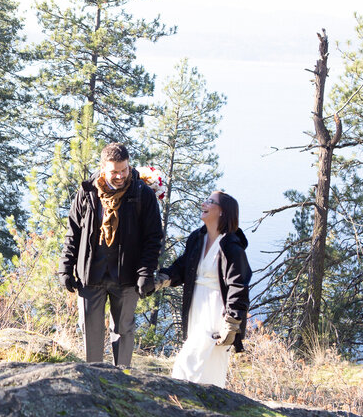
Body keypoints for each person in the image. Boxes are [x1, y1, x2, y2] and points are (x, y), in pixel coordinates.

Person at [58, 143, 163, 367]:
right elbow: (73, 233)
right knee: (90, 331)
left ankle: (122, 382)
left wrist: (145, 273)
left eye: (124, 170)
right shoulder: (87, 192)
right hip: (91, 274)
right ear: (103, 168)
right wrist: (65, 268)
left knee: (123, 331)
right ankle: (93, 383)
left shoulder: (142, 195)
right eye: (114, 171)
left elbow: (153, 238)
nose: (120, 176)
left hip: (126, 277)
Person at [156, 191, 251, 388]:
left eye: (210, 202)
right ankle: (200, 406)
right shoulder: (198, 238)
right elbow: (183, 266)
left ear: (223, 212)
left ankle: (187, 399)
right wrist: (163, 278)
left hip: (217, 310)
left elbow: (238, 285)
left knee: (191, 361)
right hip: (196, 307)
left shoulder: (232, 246)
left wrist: (232, 323)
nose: (203, 204)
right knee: (202, 361)